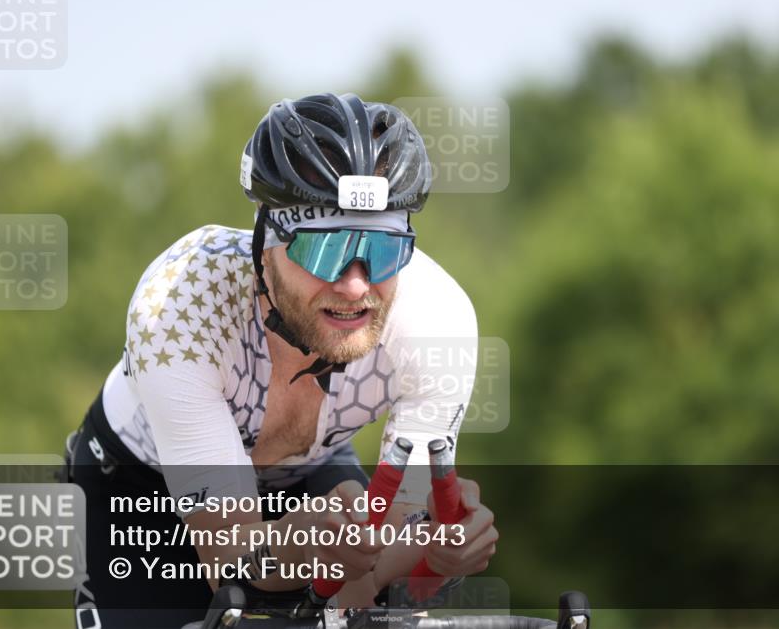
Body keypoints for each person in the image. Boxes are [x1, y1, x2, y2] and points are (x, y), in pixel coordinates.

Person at [63, 93, 498, 629]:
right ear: (265, 244)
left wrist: (437, 552)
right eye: (324, 251)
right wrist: (299, 546)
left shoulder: (437, 319)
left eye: (383, 250)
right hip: (140, 484)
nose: (356, 284)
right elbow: (229, 563)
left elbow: (384, 569)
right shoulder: (180, 307)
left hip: (309, 474)